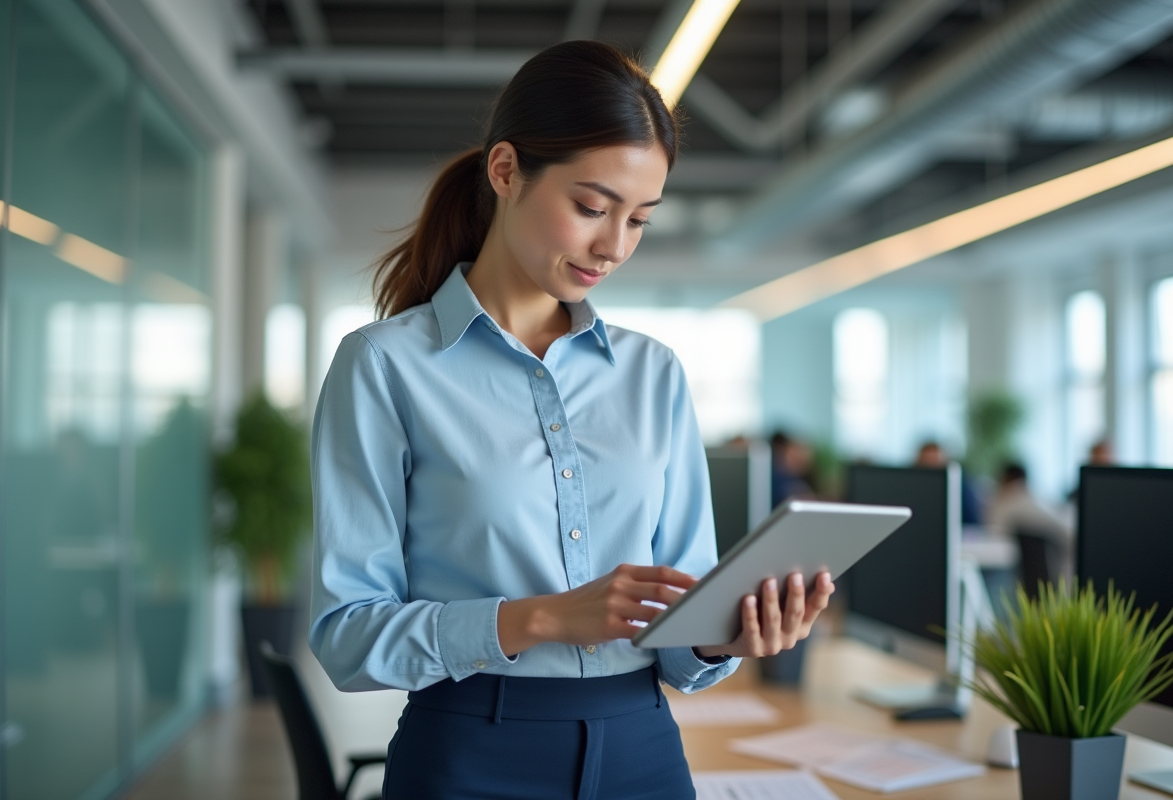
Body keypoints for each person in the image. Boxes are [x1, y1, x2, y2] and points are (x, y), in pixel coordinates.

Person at [308, 41, 834, 800]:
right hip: (468, 752)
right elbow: (348, 637)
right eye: (591, 207)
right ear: (505, 172)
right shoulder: (385, 366)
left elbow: (681, 633)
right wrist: (542, 619)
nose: (613, 246)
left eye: (639, 220)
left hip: (644, 750)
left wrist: (731, 632)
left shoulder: (653, 374)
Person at [913, 439, 982, 525]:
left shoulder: (959, 487)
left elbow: (972, 523)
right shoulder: (912, 489)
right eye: (925, 464)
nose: (931, 467)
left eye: (936, 463)